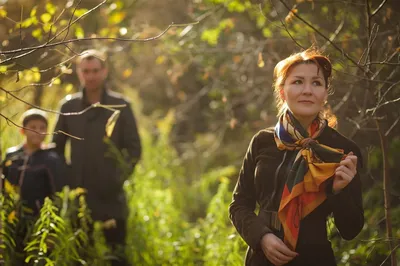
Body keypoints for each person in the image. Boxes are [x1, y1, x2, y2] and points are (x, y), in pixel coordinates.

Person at [229, 48, 364, 266]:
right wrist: (262, 237)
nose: (308, 90)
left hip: (314, 258)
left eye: (316, 83)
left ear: (325, 93)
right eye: (298, 82)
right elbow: (239, 205)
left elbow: (351, 229)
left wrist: (339, 191)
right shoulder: (263, 141)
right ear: (282, 91)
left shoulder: (342, 150)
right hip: (261, 258)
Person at [52, 49, 141, 265]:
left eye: (95, 71)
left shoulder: (121, 105)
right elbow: (56, 149)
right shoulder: (68, 106)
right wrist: (70, 179)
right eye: (85, 71)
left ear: (104, 71)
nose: (90, 76)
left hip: (112, 195)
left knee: (117, 255)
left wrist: (118, 177)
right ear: (78, 73)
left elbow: (134, 149)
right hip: (79, 195)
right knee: (81, 255)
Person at [1, 108, 65, 264]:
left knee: (37, 258)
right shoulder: (12, 155)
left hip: (38, 220)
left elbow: (57, 195)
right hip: (12, 220)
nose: (38, 132)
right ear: (22, 131)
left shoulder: (51, 159)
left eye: (43, 128)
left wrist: (51, 230)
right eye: (33, 127)